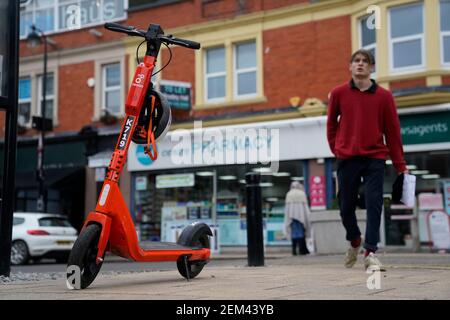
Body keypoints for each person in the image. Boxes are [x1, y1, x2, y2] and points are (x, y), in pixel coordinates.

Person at [326, 49, 408, 271]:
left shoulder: (384, 96)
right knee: (345, 206)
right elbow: (331, 124)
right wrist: (337, 149)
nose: (360, 64)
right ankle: (354, 241)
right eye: (356, 61)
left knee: (374, 204)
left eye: (365, 61)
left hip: (375, 157)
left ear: (371, 67)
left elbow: (393, 132)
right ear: (350, 67)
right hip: (347, 157)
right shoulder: (338, 93)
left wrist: (401, 166)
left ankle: (370, 252)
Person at [283, 181, 311, 255]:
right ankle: (302, 250)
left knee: (294, 234)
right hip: (301, 217)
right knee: (301, 233)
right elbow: (305, 208)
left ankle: (294, 250)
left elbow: (287, 209)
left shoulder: (289, 194)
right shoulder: (302, 194)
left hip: (291, 218)